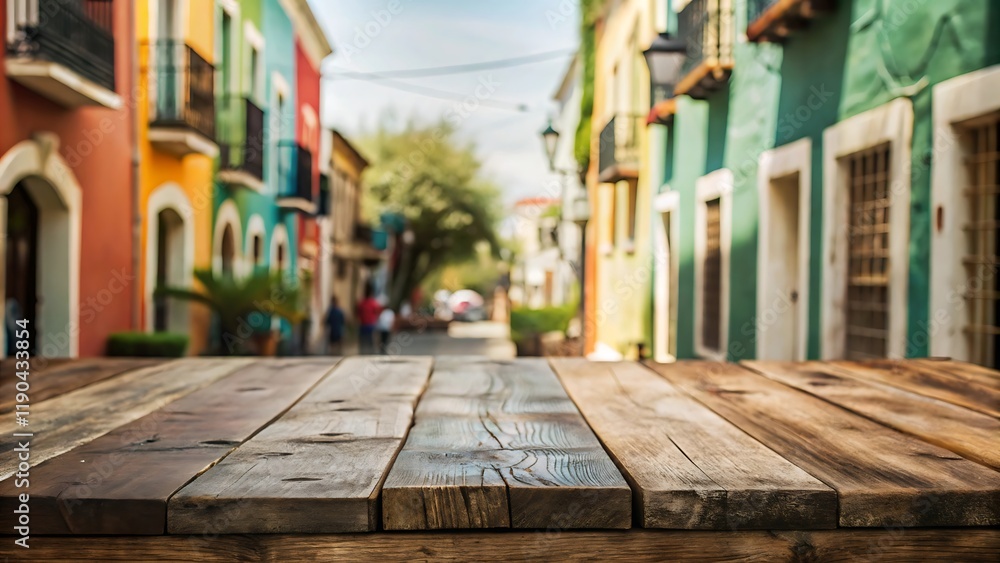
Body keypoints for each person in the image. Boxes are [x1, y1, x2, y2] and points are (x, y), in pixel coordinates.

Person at [356, 286, 381, 355]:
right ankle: (371, 353)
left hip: (363, 325)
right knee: (371, 341)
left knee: (363, 341)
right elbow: (377, 313)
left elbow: (358, 313)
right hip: (371, 325)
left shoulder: (361, 303)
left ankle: (362, 353)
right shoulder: (373, 303)